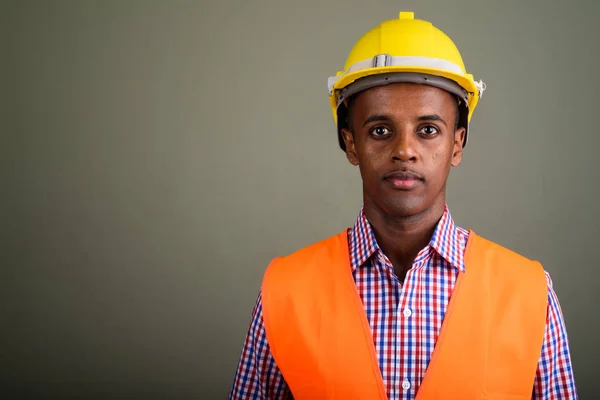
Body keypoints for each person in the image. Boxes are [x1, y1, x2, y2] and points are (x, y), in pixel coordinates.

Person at [228, 11, 577, 400]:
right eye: (380, 130)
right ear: (350, 144)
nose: (405, 151)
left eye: (428, 130)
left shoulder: (531, 295)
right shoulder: (285, 292)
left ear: (457, 144)